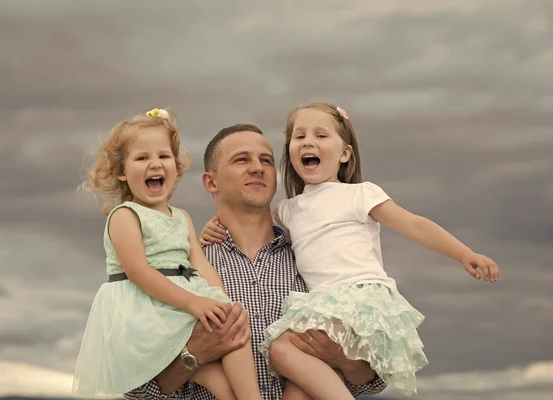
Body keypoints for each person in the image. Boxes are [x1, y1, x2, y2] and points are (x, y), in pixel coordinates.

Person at [201, 102, 500, 399]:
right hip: (324, 305)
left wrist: (464, 253)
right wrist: (207, 230)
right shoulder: (287, 212)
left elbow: (415, 225)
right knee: (298, 388)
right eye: (299, 136)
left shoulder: (359, 194)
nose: (309, 142)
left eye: (321, 135)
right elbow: (248, 218)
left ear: (345, 153)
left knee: (281, 350)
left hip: (356, 299)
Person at [124, 123, 387, 399]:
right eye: (242, 159)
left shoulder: (316, 258)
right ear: (211, 182)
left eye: (266, 161)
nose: (257, 168)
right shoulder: (183, 269)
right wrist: (194, 355)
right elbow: (135, 388)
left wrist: (345, 360)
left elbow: (374, 379)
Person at [72, 109, 262, 400]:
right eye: (142, 158)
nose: (155, 164)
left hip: (181, 305)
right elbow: (139, 273)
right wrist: (193, 302)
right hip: (149, 311)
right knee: (220, 357)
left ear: (175, 165)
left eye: (163, 156)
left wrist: (223, 301)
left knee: (232, 336)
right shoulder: (125, 215)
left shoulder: (181, 217)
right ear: (122, 171)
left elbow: (199, 265)